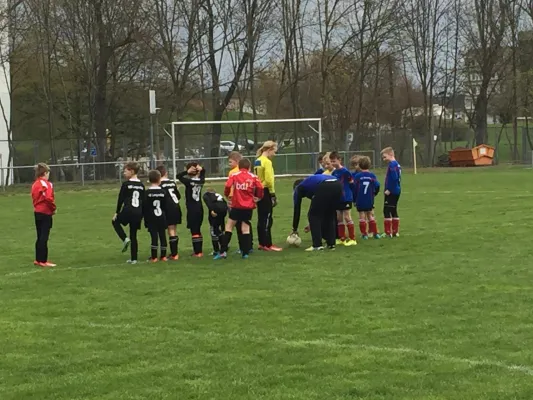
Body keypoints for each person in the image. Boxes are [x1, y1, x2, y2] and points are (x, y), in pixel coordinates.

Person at [215, 158, 264, 260]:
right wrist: (258, 197)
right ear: (249, 167)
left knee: (229, 226)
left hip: (237, 205)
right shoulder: (253, 177)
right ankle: (245, 253)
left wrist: (227, 194)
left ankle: (223, 251)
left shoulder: (234, 175)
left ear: (239, 166)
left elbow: (228, 185)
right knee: (245, 228)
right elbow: (260, 187)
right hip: (248, 206)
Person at [292, 174, 342, 251]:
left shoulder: (299, 187)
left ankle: (317, 245)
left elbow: (297, 208)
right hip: (338, 184)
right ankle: (331, 244)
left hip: (325, 185)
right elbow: (319, 207)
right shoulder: (311, 184)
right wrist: (312, 224)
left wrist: (294, 229)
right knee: (330, 214)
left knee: (313, 215)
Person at [112, 162, 145, 264]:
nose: (124, 173)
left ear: (131, 171)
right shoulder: (141, 185)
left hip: (128, 210)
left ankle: (125, 239)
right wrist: (142, 215)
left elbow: (120, 199)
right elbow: (144, 201)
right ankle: (134, 259)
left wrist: (117, 212)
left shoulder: (126, 184)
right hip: (138, 212)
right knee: (134, 234)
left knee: (115, 222)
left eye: (125, 171)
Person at [254, 141, 282, 251]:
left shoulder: (257, 160)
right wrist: (273, 194)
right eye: (274, 151)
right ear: (269, 150)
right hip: (265, 191)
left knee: (261, 217)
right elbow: (269, 180)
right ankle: (268, 244)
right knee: (267, 218)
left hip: (258, 190)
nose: (274, 154)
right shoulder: (267, 162)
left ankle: (261, 243)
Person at [177, 162, 206, 256]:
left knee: (194, 230)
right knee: (198, 229)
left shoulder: (189, 182)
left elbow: (178, 176)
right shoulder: (201, 181)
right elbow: (203, 173)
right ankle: (199, 251)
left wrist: (186, 171)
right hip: (200, 208)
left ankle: (197, 252)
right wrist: (201, 170)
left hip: (192, 209)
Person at [31, 163, 57, 267]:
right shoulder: (46, 184)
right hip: (45, 212)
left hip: (37, 212)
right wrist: (53, 208)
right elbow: (48, 198)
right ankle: (43, 260)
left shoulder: (35, 184)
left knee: (39, 236)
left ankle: (38, 259)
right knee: (44, 237)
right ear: (45, 173)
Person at [228, 151, 254, 252]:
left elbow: (231, 187)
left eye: (230, 162)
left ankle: (242, 247)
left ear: (237, 161)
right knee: (246, 224)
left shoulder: (233, 173)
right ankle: (248, 245)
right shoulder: (247, 172)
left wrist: (230, 197)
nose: (229, 164)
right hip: (247, 202)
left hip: (236, 201)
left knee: (236, 224)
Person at [329, 151, 357, 246]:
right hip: (338, 198)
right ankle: (342, 238)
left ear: (339, 160)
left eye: (334, 161)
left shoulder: (345, 172)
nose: (332, 163)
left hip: (346, 197)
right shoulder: (334, 172)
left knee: (347, 217)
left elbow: (351, 183)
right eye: (331, 161)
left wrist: (352, 196)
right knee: (339, 218)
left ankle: (352, 238)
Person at [352, 156, 381, 240]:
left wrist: (354, 200)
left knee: (362, 217)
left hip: (360, 199)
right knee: (370, 216)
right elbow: (377, 185)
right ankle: (375, 233)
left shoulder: (357, 176)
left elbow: (354, 189)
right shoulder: (372, 176)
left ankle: (364, 234)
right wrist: (374, 193)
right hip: (369, 199)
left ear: (360, 165)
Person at [156, 165, 181, 260]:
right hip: (176, 207)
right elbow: (178, 196)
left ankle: (174, 254)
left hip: (168, 208)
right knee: (174, 229)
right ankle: (174, 252)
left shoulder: (159, 185)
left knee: (170, 230)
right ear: (166, 173)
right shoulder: (172, 183)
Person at [143, 170, 169, 262]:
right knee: (163, 236)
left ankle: (154, 257)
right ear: (159, 180)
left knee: (154, 236)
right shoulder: (163, 192)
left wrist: (145, 220)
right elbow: (166, 206)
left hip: (151, 217)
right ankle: (163, 256)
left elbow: (145, 207)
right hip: (162, 216)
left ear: (149, 180)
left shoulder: (146, 193)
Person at [381, 147, 402, 237]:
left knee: (386, 210)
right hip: (397, 190)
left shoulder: (392, 165)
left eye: (385, 157)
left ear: (391, 155)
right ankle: (395, 232)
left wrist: (389, 189)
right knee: (393, 210)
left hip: (392, 191)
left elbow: (395, 178)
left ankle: (387, 233)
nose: (384, 159)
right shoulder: (397, 164)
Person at [203, 188, 228, 256]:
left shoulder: (206, 195)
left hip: (216, 210)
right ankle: (224, 245)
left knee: (213, 230)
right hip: (223, 210)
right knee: (220, 229)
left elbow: (208, 203)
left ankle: (216, 250)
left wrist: (212, 210)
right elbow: (225, 203)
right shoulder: (218, 195)